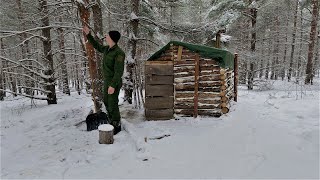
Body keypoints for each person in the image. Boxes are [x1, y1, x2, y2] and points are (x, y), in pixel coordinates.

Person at [83, 26, 125, 135]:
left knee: (112, 104)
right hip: (107, 82)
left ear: (112, 38)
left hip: (113, 82)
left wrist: (113, 85)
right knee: (107, 102)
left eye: (107, 35)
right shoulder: (107, 49)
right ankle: (111, 121)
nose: (106, 36)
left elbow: (118, 72)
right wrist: (88, 35)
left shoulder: (119, 53)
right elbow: (97, 46)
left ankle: (116, 125)